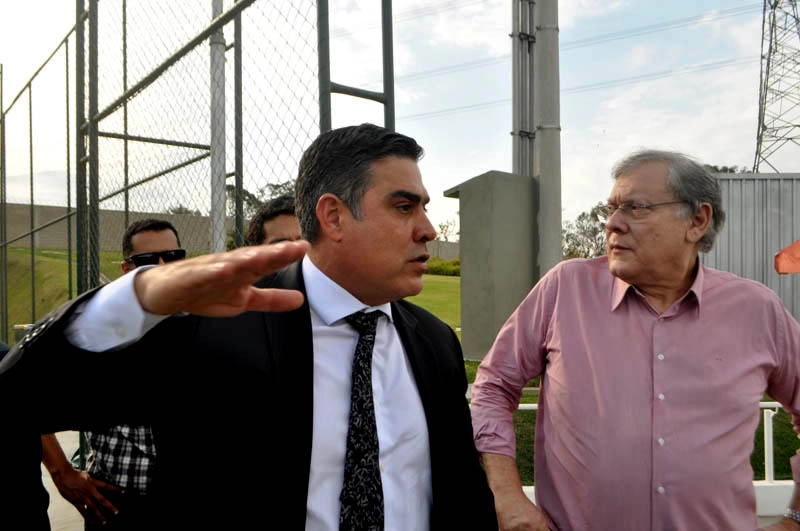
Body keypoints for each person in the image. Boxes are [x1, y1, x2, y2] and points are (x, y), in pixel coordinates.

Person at [0, 123, 497, 530]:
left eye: (425, 208)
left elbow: (459, 488)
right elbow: (24, 400)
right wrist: (138, 298)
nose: (429, 228)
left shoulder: (434, 341)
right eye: (405, 206)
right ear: (334, 216)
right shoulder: (215, 324)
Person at [470, 149, 800, 531]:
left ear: (697, 220)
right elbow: (494, 385)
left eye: (635, 208)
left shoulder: (757, 309)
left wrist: (795, 517)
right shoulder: (565, 289)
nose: (612, 224)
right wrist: (507, 496)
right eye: (611, 209)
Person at [40, 218, 186, 529]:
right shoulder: (91, 330)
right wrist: (61, 471)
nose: (162, 267)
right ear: (125, 270)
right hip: (117, 503)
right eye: (147, 261)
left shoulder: (204, 324)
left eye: (173, 257)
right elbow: (24, 395)